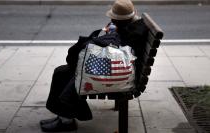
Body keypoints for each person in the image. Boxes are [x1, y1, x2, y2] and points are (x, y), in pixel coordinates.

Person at [40, 0, 148, 132]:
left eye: (114, 19)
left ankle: (66, 120)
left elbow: (120, 49)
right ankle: (63, 116)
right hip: (119, 67)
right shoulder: (133, 26)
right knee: (62, 72)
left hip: (118, 73)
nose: (112, 20)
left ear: (118, 19)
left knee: (65, 74)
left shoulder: (132, 32)